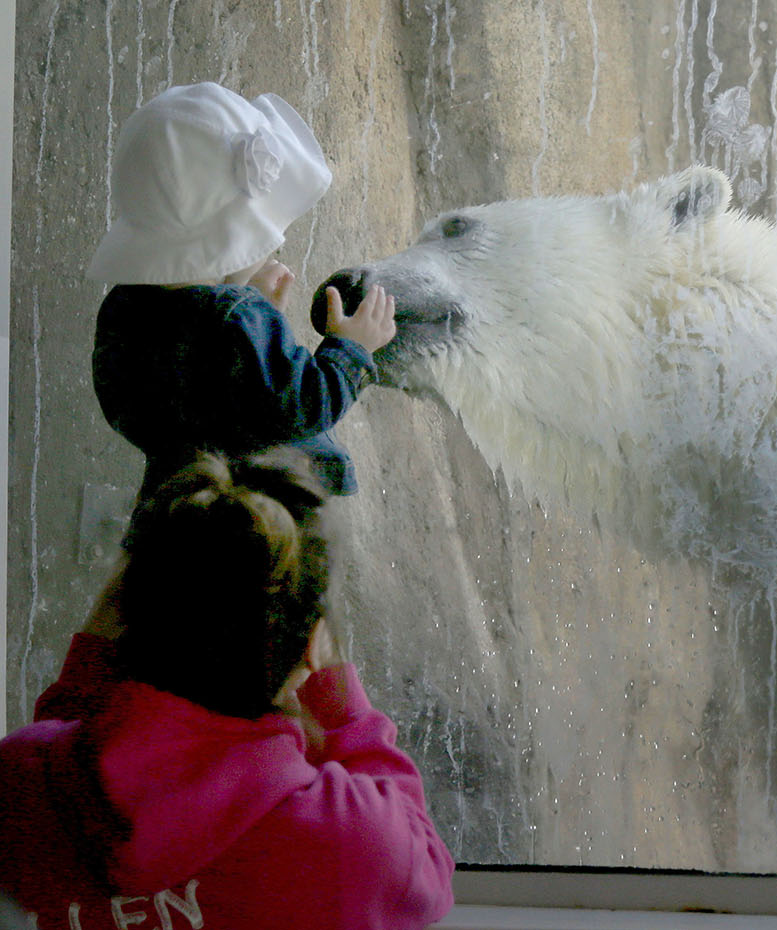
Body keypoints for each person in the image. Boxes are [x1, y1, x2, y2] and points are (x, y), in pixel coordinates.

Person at [0, 452, 455, 928]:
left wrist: (94, 654)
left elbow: (60, 747)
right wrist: (342, 702)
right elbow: (426, 871)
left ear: (124, 615)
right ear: (310, 647)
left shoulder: (16, 782)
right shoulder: (354, 844)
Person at [88, 81, 396, 508]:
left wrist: (247, 318)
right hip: (263, 511)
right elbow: (305, 405)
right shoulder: (235, 318)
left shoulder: (122, 309)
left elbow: (174, 383)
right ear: (229, 243)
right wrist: (351, 347)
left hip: (177, 502)